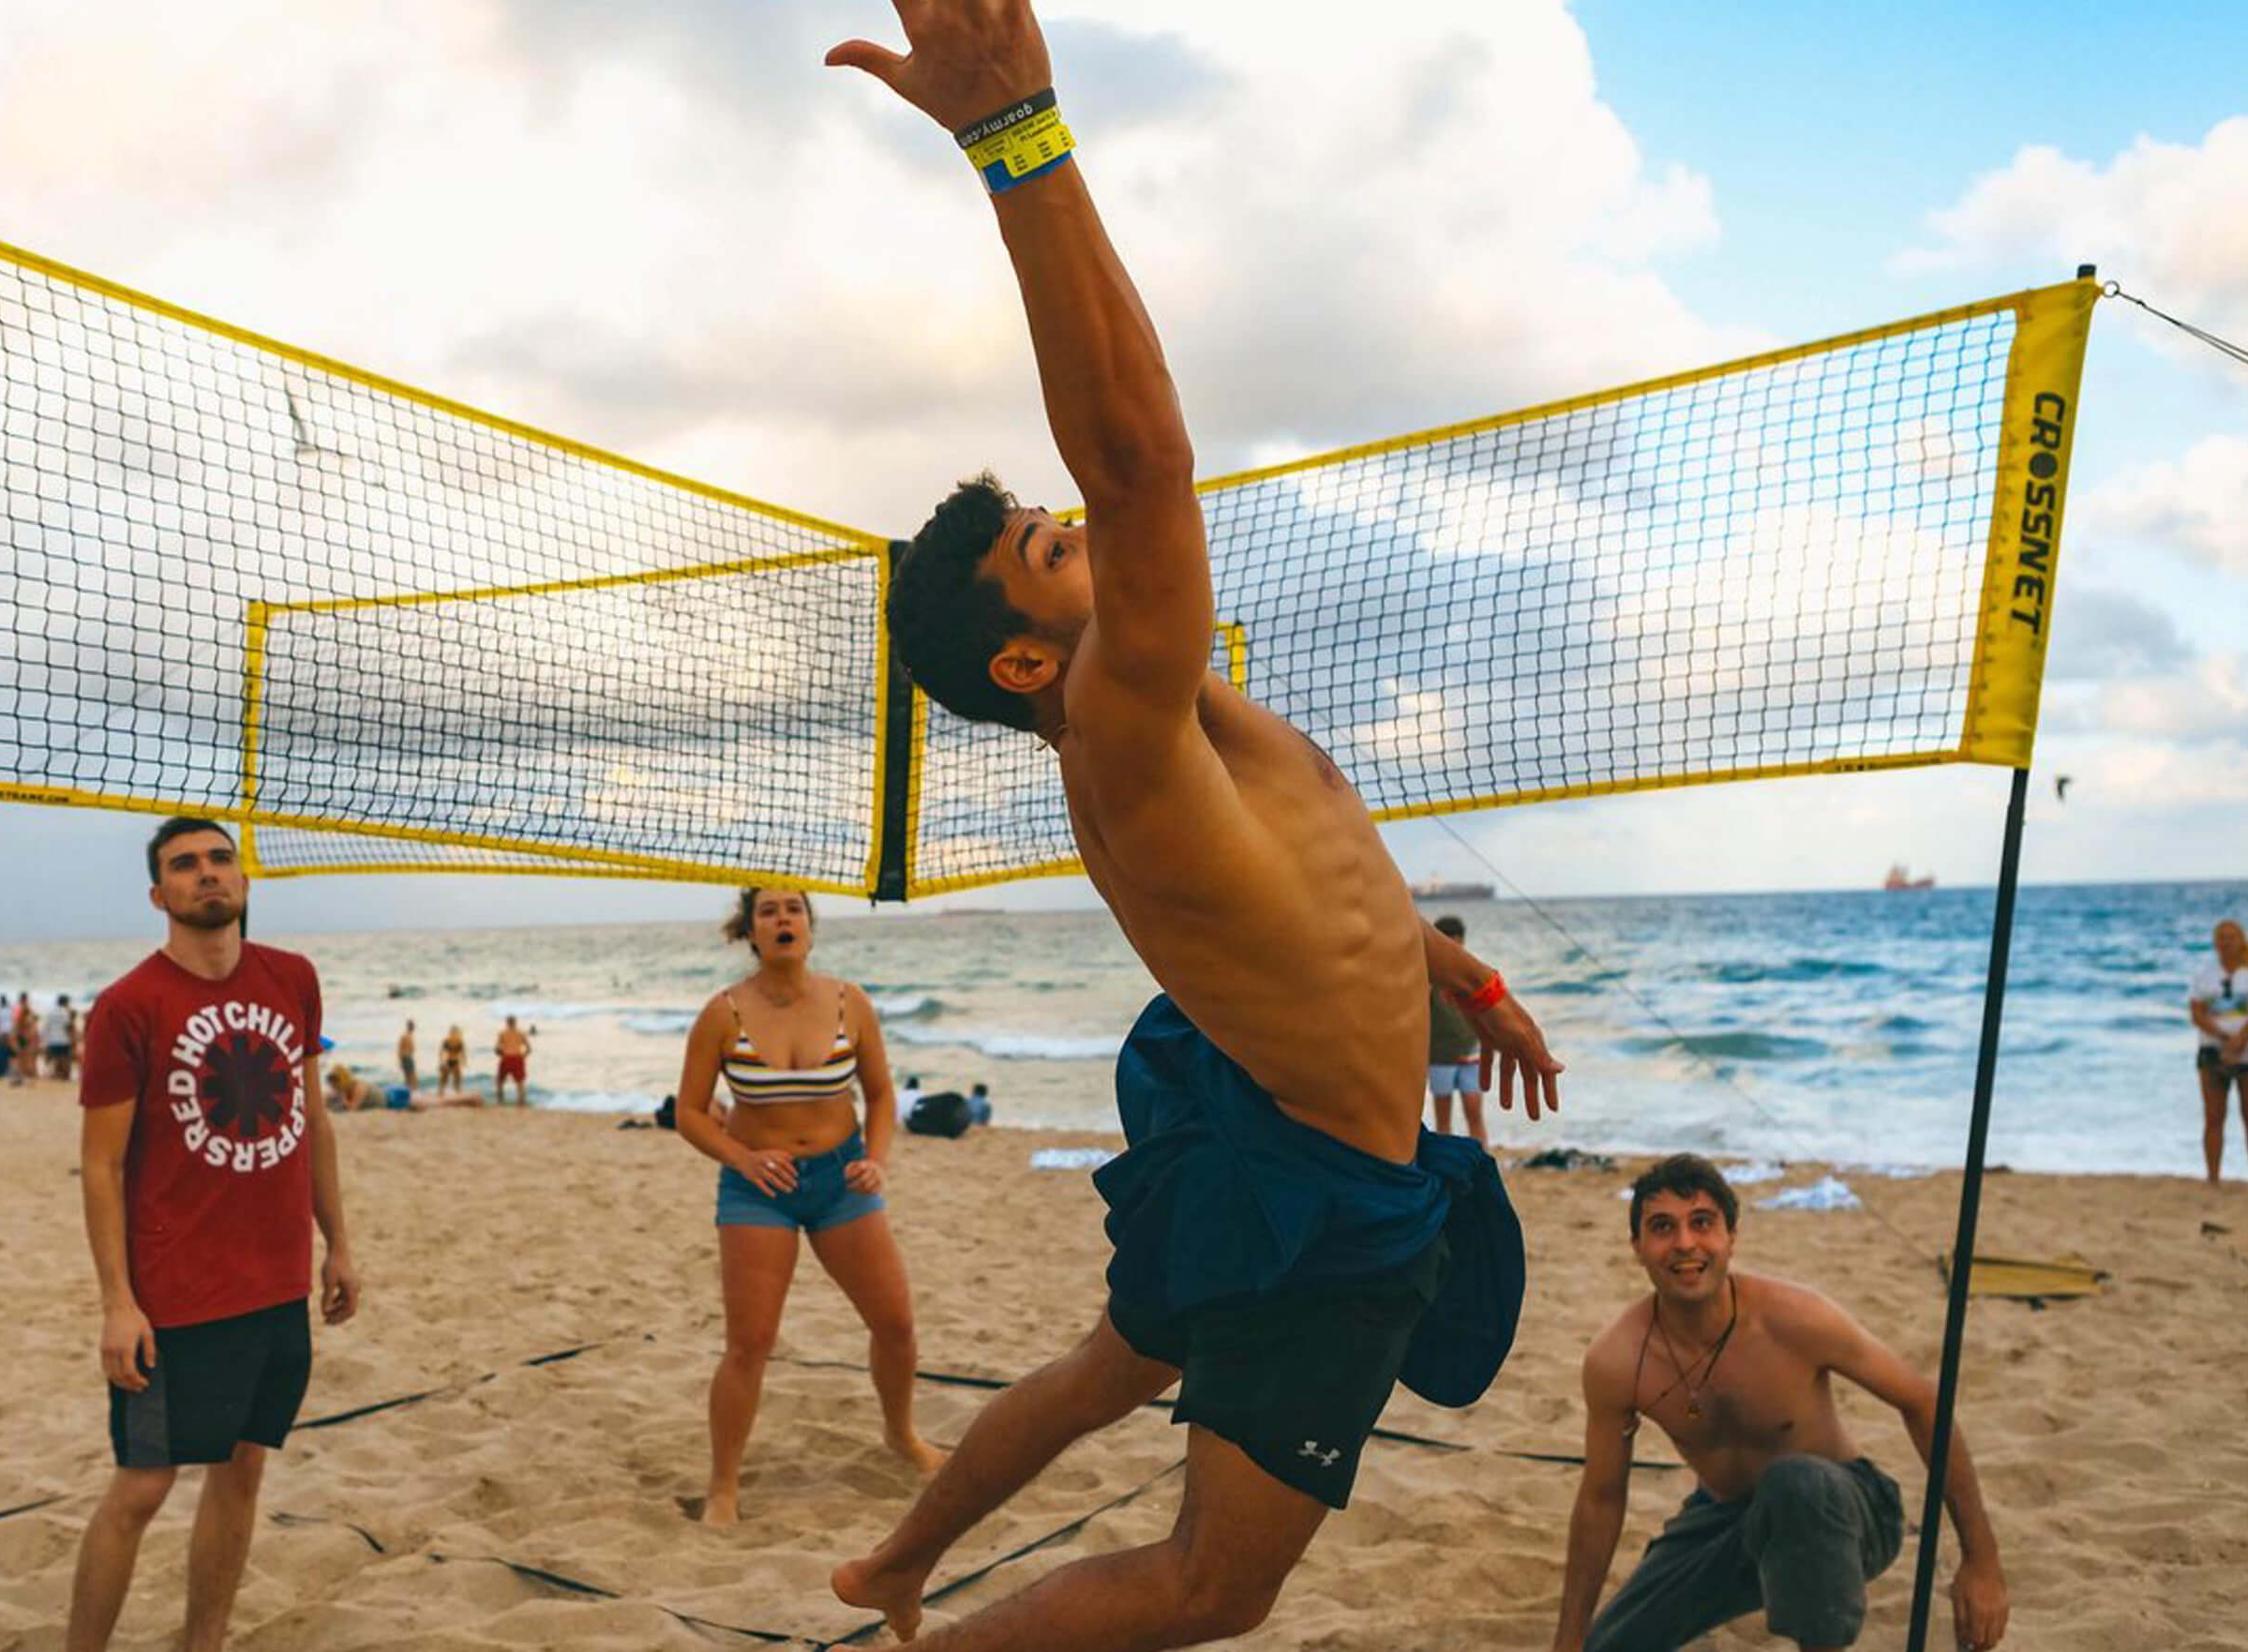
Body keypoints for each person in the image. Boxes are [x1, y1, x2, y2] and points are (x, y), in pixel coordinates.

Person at [827, 12, 1562, 1638]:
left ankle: (890, 1562)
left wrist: (1434, 954)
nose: (1076, 523)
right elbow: (1144, 456)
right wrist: (1017, 139)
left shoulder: (1159, 703)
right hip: (1311, 1179)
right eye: (1043, 543)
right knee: (1209, 1586)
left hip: (1243, 1083)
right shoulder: (1122, 715)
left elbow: (1304, 853)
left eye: (1046, 516)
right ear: (1025, 656)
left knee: (1119, 1359)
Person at [65, 818, 361, 1652]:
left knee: (243, 1467)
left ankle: (206, 1642)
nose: (207, 874)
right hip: (175, 1293)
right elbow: (100, 1166)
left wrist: (337, 1241)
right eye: (185, 865)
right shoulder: (129, 1006)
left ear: (243, 881)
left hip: (273, 1285)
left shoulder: (292, 977)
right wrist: (117, 1303)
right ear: (159, 895)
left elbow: (312, 1120)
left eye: (220, 859)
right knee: (142, 1486)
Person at [1551, 1156, 2008, 1652]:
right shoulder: (1617, 1360)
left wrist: (1981, 1562)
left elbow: (1923, 1403)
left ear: (1731, 1238)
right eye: (1662, 1227)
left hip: (1848, 1512)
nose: (1684, 1243)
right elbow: (1601, 1497)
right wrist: (1569, 1639)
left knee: (1794, 1482)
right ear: (1637, 1248)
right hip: (1725, 1518)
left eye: (1702, 1223)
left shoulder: (1794, 1318)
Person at [672, 887, 943, 1525]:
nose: (783, 919)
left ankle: (900, 1435)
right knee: (750, 1344)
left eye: (794, 909)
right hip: (756, 1186)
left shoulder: (851, 1003)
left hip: (839, 1179)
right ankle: (723, 1488)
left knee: (896, 1324)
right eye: (768, 912)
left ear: (810, 929)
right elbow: (687, 1111)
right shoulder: (723, 1013)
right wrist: (740, 1158)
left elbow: (880, 1096)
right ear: (751, 933)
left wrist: (877, 1160)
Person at [2188, 919, 2248, 1189]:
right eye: (2222, 937)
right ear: (2215, 942)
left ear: (2242, 940)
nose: (2226, 942)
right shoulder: (2204, 974)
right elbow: (2197, 1013)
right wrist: (2224, 1038)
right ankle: (2213, 1178)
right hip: (2213, 1051)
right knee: (2213, 1117)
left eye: (2232, 937)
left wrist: (2241, 1040)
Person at [1427, 915, 1489, 1146]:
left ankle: (1482, 1162)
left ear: (1463, 942)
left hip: (1471, 1053)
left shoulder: (1470, 972)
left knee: (1475, 1115)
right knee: (1443, 1121)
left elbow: (1485, 1010)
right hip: (1440, 1057)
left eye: (1456, 943)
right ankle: (1447, 1170)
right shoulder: (1430, 976)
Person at [493, 1015, 532, 1104]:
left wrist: (501, 1055)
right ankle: (521, 1102)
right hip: (518, 1057)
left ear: (507, 1022)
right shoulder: (521, 1033)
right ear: (515, 1022)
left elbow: (496, 1049)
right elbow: (529, 1049)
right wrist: (523, 1056)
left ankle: (500, 1102)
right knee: (520, 1083)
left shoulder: (502, 1033)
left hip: (506, 1057)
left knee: (500, 1082)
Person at [44, 994, 79, 1080]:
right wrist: (73, 1038)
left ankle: (57, 1075)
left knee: (56, 1059)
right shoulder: (65, 1012)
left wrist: (46, 1039)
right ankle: (65, 1076)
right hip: (63, 1039)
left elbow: (47, 1027)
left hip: (52, 1040)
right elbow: (67, 1027)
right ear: (66, 1002)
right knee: (65, 1059)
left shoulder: (50, 1012)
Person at [440, 1023, 468, 1095]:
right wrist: (442, 1061)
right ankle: (441, 1092)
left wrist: (464, 1061)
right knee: (445, 1079)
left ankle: (456, 1092)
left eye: (454, 1032)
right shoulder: (447, 1040)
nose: (453, 1033)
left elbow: (463, 1052)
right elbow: (442, 1051)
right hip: (449, 1060)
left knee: (457, 1079)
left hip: (454, 1061)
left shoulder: (459, 1041)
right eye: (452, 1032)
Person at [397, 1020, 419, 1093]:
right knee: (412, 1078)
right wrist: (400, 1061)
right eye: (412, 1026)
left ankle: (408, 1093)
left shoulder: (409, 1036)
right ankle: (411, 1093)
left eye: (413, 1026)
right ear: (409, 1027)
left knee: (408, 1078)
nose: (413, 1028)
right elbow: (399, 1049)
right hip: (407, 1058)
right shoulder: (405, 1036)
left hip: (408, 1058)